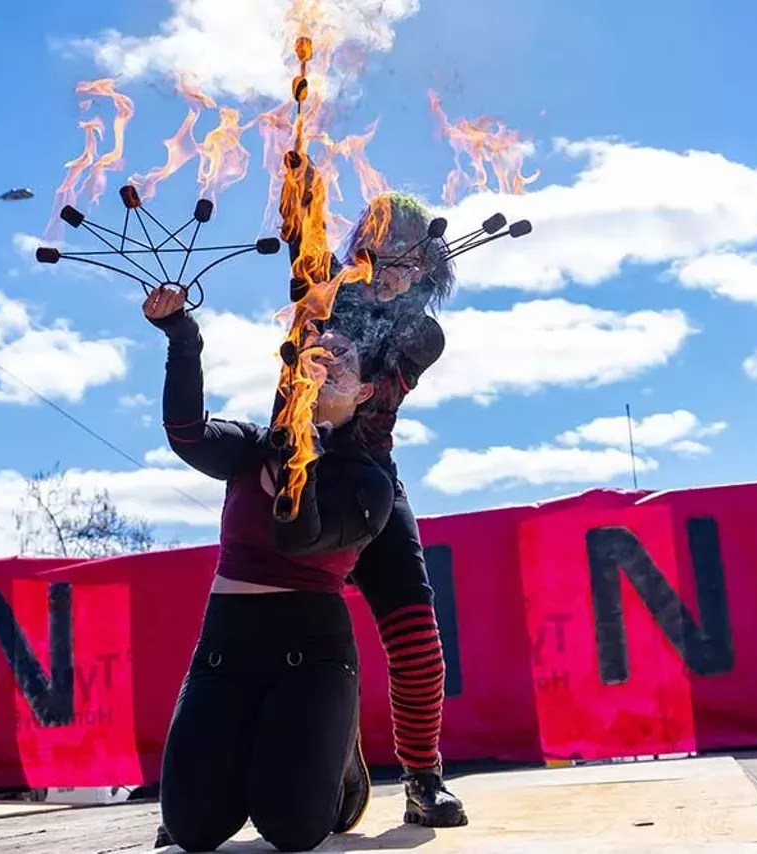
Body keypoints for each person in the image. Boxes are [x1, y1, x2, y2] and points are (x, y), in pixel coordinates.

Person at [145, 284, 396, 853]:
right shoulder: (253, 447)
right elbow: (186, 434)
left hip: (312, 652)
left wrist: (300, 454)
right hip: (225, 647)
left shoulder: (368, 482)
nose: (327, 359)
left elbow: (298, 537)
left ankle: (341, 772)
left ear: (362, 393)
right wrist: (182, 339)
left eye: (345, 359)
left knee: (293, 830)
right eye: (314, 350)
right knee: (194, 830)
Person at [323, 191, 468, 830]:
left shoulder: (422, 333)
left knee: (417, 635)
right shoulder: (321, 291)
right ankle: (217, 775)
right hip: (294, 467)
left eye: (411, 260)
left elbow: (363, 399)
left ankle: (421, 777)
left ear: (427, 270)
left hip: (371, 479)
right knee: (260, 634)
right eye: (385, 249)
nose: (394, 268)